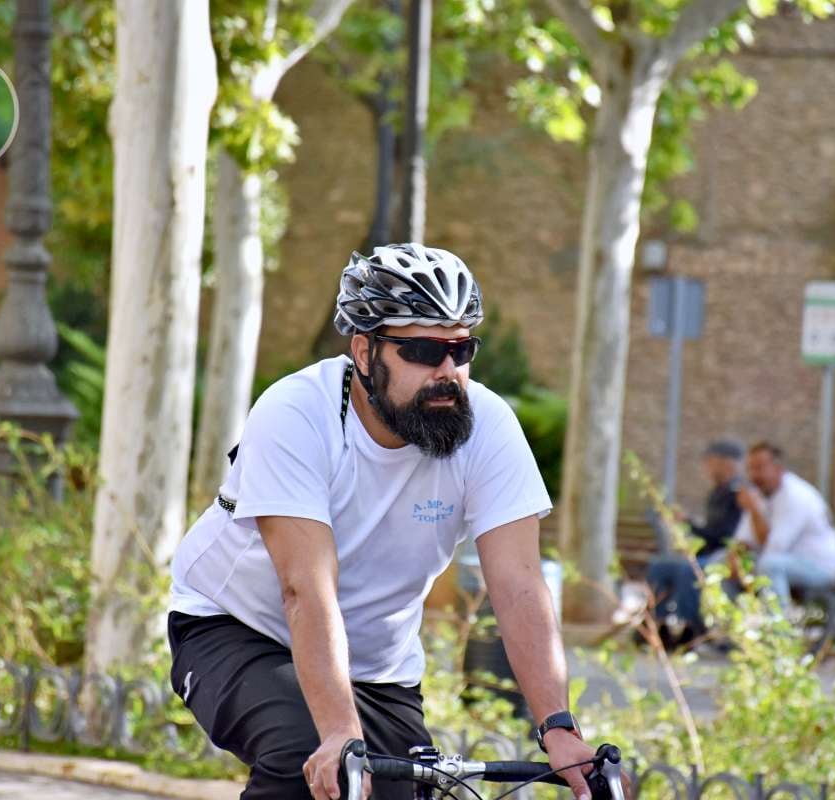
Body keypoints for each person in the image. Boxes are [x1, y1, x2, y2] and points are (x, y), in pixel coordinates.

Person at [167, 244, 598, 800]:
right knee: (312, 762)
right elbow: (305, 588)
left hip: (379, 666)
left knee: (404, 790)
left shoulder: (487, 425)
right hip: (237, 629)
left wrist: (558, 728)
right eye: (422, 350)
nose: (448, 372)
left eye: (461, 349)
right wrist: (340, 732)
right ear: (365, 351)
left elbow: (518, 586)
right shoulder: (297, 413)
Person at [643, 439, 744, 646]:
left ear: (726, 463)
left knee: (687, 570)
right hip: (706, 552)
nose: (707, 468)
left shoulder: (738, 494)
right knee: (658, 567)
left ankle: (689, 628)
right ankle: (657, 625)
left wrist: (689, 523)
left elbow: (723, 535)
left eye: (710, 462)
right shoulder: (716, 493)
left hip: (724, 556)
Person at [728, 441, 835, 608]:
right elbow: (742, 539)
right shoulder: (760, 493)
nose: (754, 475)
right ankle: (731, 626)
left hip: (821, 568)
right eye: (750, 469)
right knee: (720, 564)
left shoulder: (796, 496)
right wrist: (733, 558)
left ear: (778, 468)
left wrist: (754, 511)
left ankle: (779, 629)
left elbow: (774, 547)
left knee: (769, 565)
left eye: (760, 468)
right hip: (784, 561)